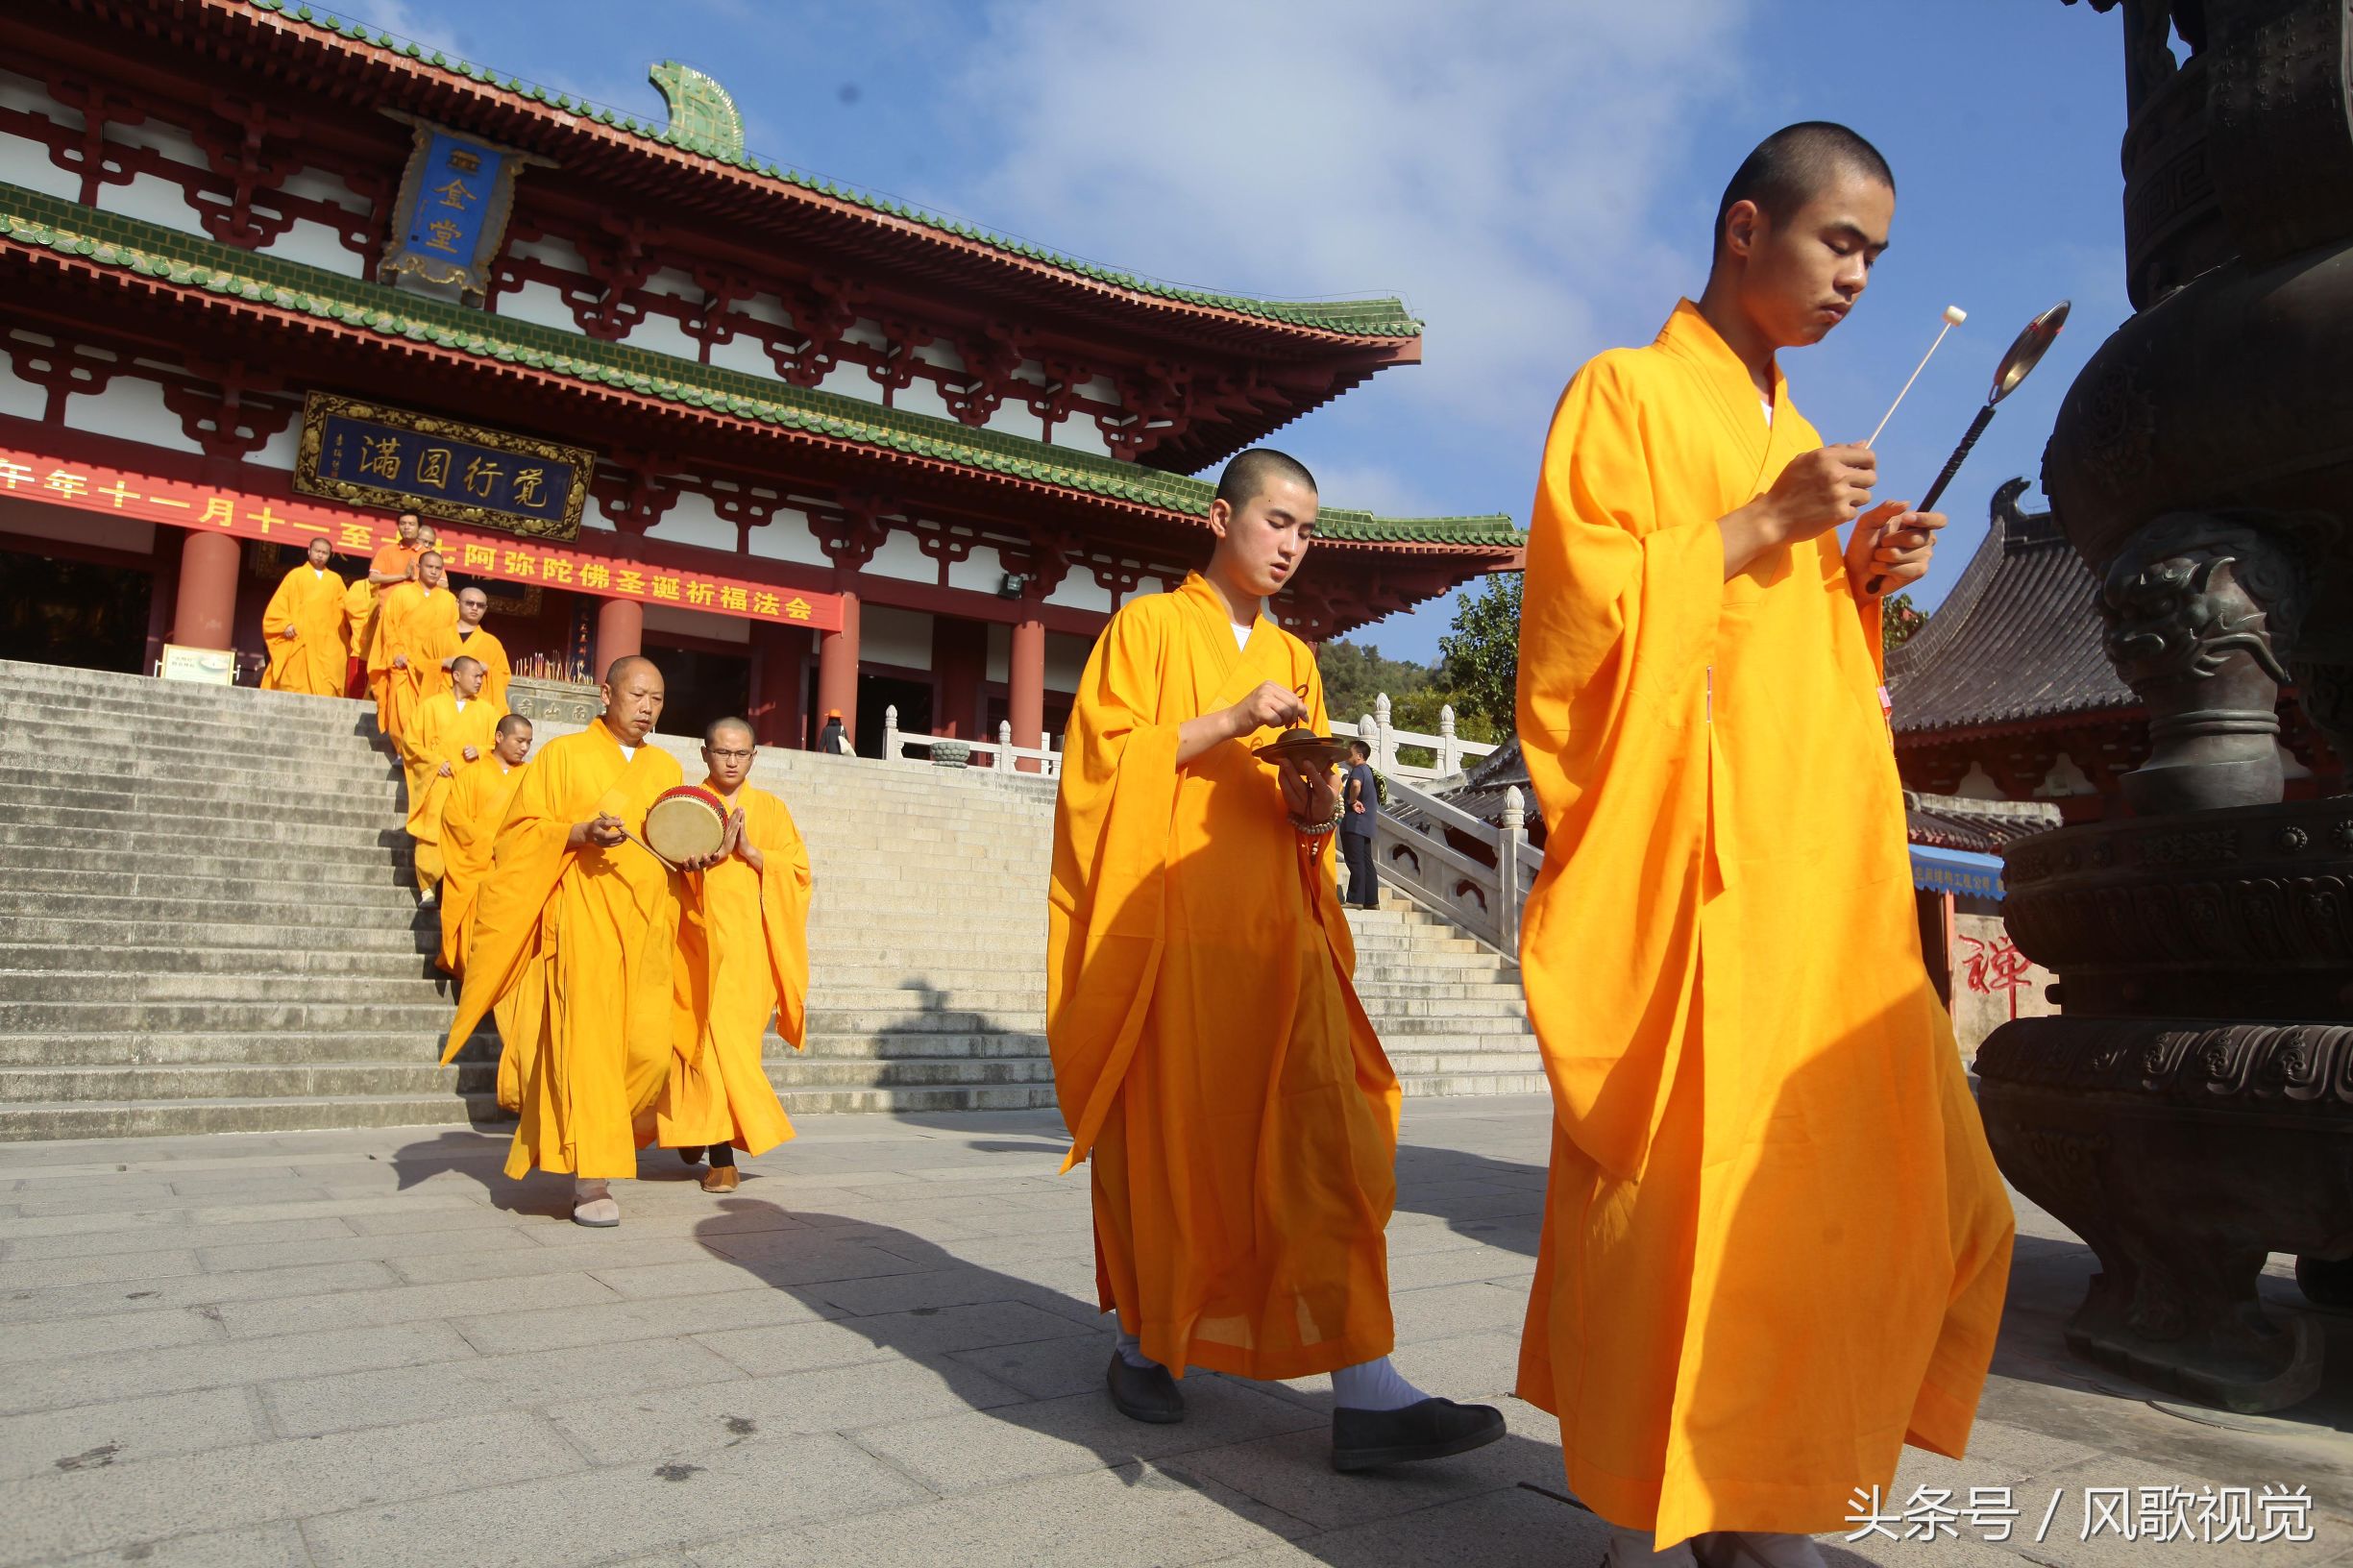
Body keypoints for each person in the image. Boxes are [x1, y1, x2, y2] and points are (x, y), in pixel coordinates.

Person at [1511, 123, 2015, 1567]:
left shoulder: (1797, 437)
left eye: (1876, 256)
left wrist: (1853, 577)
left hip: (1813, 885)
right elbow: (1579, 631)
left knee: (1861, 1197)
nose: (1857, 277)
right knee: (1682, 1201)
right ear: (1747, 230)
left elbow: (1792, 666)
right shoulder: (1624, 391)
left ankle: (1772, 1492)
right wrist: (1752, 527)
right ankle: (1644, 1509)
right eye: (1836, 242)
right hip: (1693, 876)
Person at [1049, 447, 1506, 1472]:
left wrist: (1315, 810)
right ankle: (1144, 1343)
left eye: (1307, 529)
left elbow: (1297, 806)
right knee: (1170, 1148)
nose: (1293, 544)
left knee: (1327, 1139)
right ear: (1221, 519)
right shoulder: (1149, 629)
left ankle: (1367, 1390)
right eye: (1277, 521)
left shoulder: (1297, 658)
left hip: (1280, 934)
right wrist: (1226, 718)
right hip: (1173, 934)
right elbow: (1101, 765)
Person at [443, 656, 723, 1227]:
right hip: (583, 922)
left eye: (658, 699)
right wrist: (577, 831)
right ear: (606, 693)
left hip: (647, 926)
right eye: (638, 695)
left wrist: (702, 857)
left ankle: (603, 1135)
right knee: (589, 1046)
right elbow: (518, 834)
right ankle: (591, 1179)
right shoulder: (562, 756)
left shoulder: (667, 766)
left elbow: (674, 842)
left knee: (647, 1049)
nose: (647, 708)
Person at [653, 718, 813, 1193]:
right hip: (695, 943)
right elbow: (660, 858)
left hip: (750, 952)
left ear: (753, 757)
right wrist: (702, 856)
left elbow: (799, 872)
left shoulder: (771, 810)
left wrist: (752, 851)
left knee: (735, 1047)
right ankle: (720, 1154)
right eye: (722, 752)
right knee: (702, 1041)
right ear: (705, 754)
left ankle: (695, 1126)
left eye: (740, 754)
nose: (731, 761)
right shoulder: (684, 803)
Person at [401, 654, 506, 908]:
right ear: (456, 676)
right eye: (475, 675)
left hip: (471, 785)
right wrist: (436, 762)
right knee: (432, 829)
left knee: (466, 832)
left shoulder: (488, 712)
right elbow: (411, 742)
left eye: (481, 676)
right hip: (439, 780)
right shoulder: (431, 706)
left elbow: (501, 741)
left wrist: (480, 750)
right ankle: (427, 886)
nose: (481, 681)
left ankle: (458, 884)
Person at [438, 711, 533, 978]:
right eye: (519, 741)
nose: (524, 748)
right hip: (477, 865)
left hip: (514, 867)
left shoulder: (531, 776)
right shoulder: (471, 774)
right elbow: (453, 819)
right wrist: (490, 843)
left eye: (529, 742)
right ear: (499, 737)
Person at [370, 550, 458, 747]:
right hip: (405, 662)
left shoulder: (449, 600)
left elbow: (453, 633)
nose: (434, 572)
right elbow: (389, 627)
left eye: (438, 568)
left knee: (432, 711)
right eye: (429, 567)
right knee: (402, 709)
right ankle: (403, 750)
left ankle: (425, 749)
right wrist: (396, 653)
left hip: (436, 666)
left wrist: (451, 660)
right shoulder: (401, 593)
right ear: (419, 568)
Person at [257, 534, 349, 697]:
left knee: (328, 683)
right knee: (292, 682)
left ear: (330, 555)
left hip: (326, 641)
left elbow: (346, 609)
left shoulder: (336, 580)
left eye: (325, 553)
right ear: (309, 551)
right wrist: (285, 624)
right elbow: (279, 605)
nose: (320, 555)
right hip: (300, 638)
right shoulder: (295, 575)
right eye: (317, 551)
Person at [358, 511, 425, 700]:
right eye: (403, 523)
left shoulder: (426, 555)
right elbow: (374, 577)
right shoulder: (387, 551)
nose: (406, 527)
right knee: (384, 655)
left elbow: (443, 583)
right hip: (388, 614)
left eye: (411, 523)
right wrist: (403, 576)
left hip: (416, 616)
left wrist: (417, 578)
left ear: (419, 528)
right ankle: (376, 694)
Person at [447, 585, 511, 710]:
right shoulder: (438, 637)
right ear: (458, 603)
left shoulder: (492, 643)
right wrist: (441, 663)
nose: (475, 608)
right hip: (444, 702)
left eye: (480, 605)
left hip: (477, 706)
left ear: (485, 609)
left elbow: (504, 676)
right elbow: (419, 666)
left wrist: (487, 669)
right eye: (470, 603)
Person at [1337, 739, 1380, 911]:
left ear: (1359, 756)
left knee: (1356, 862)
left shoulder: (1358, 771)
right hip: (1366, 825)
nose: (1348, 753)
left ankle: (1355, 899)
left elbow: (1355, 785)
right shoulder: (1368, 771)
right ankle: (1371, 900)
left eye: (1351, 751)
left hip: (1354, 824)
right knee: (1366, 862)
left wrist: (1352, 801)